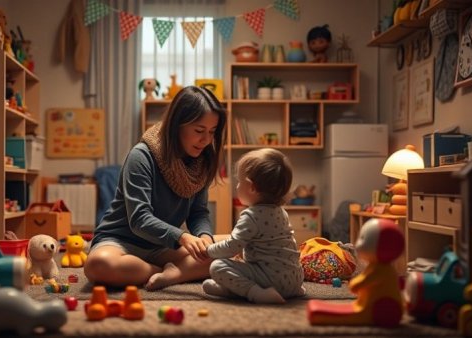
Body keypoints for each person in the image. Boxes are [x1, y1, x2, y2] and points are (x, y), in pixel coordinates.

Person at [84, 85, 227, 290]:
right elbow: (139, 219)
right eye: (199, 131)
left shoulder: (200, 161)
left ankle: (172, 274)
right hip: (121, 242)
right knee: (98, 266)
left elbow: (198, 213)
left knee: (240, 245)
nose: (206, 140)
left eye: (212, 132)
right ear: (177, 125)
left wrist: (204, 238)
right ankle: (171, 273)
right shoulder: (141, 156)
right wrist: (182, 236)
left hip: (163, 246)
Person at [202, 148, 306, 303]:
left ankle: (256, 293)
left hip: (271, 280)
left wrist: (208, 251)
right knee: (241, 265)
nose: (237, 187)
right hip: (295, 280)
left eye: (239, 182)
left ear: (251, 187)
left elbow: (232, 246)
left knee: (217, 266)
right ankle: (281, 291)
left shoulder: (251, 215)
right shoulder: (281, 212)